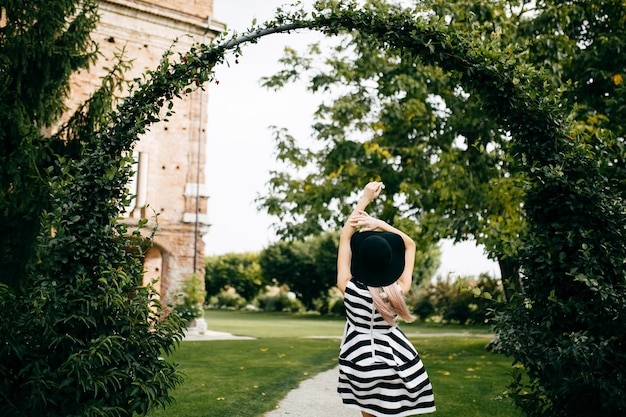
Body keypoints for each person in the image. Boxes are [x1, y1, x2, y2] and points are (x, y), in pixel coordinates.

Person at [336, 181, 436, 417]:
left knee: (368, 413)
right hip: (395, 358)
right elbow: (410, 245)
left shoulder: (348, 287)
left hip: (358, 358)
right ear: (390, 262)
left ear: (360, 261)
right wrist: (381, 224)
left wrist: (365, 198)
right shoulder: (399, 290)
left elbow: (344, 236)